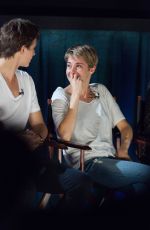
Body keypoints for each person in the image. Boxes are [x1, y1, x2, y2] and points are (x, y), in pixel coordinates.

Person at [0, 19, 95, 214]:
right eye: (33, 48)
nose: (35, 53)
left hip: (29, 160)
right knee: (23, 188)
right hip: (6, 165)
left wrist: (35, 138)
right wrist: (17, 141)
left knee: (81, 181)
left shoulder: (26, 80)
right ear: (22, 48)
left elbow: (39, 125)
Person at [51, 44, 150, 214]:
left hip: (110, 161)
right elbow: (64, 136)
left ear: (92, 69)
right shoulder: (61, 95)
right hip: (86, 163)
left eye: (78, 66)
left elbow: (125, 127)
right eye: (69, 65)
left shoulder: (101, 91)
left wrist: (124, 150)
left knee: (140, 191)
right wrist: (75, 95)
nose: (71, 71)